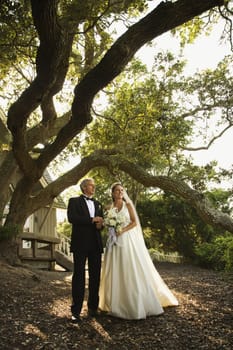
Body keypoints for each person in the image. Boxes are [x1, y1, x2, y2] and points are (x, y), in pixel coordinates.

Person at [99, 182, 178, 320]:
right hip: (113, 241)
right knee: (115, 269)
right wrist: (109, 226)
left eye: (122, 190)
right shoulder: (109, 207)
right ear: (112, 193)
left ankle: (133, 303)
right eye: (117, 190)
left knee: (129, 267)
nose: (120, 192)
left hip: (126, 239)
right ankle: (114, 303)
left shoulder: (127, 205)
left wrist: (121, 230)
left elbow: (134, 222)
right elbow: (108, 223)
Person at [67, 178, 104, 322]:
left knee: (95, 277)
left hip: (95, 244)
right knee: (79, 276)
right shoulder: (74, 201)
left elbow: (100, 223)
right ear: (84, 187)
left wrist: (100, 224)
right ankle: (75, 311)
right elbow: (72, 218)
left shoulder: (98, 203)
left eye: (94, 186)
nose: (93, 188)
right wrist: (91, 220)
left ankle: (93, 308)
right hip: (80, 243)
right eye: (90, 185)